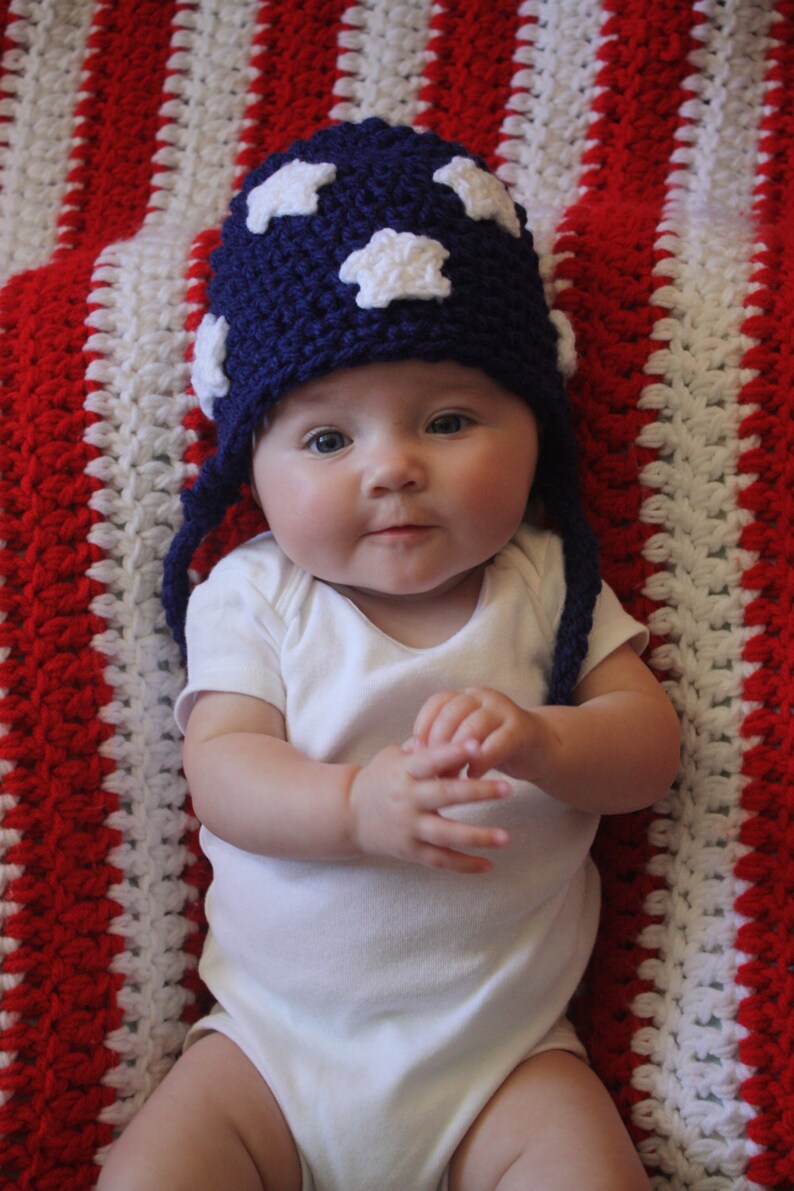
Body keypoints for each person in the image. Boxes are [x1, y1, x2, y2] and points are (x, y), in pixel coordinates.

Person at [100, 119, 680, 1191]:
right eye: (327, 440)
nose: (393, 469)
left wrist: (551, 741)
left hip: (500, 1065)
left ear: (536, 428)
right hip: (271, 1056)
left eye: (450, 419)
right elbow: (223, 772)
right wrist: (352, 810)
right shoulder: (258, 593)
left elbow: (646, 755)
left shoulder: (545, 584)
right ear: (252, 467)